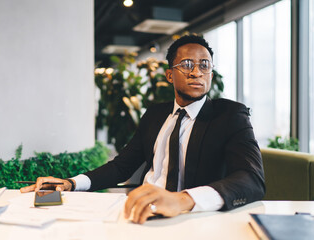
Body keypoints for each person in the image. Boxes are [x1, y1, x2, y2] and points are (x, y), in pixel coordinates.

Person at [21, 34, 265, 224]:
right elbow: (121, 166)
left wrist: (183, 200)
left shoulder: (230, 116)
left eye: (205, 65)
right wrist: (71, 183)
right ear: (170, 75)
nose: (196, 72)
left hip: (191, 218)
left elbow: (251, 179)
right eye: (187, 64)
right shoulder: (156, 115)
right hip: (141, 212)